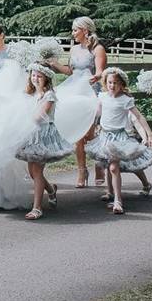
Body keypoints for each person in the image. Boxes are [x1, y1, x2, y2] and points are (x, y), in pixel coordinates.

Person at [84, 68, 152, 215]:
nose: (112, 85)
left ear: (122, 84)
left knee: (115, 167)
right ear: (105, 83)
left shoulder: (125, 100)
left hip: (119, 138)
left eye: (116, 83)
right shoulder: (102, 96)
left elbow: (140, 117)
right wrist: (88, 128)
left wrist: (149, 135)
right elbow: (96, 115)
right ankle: (111, 193)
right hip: (104, 136)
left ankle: (118, 201)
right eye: (110, 82)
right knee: (109, 165)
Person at [46, 16, 107, 188]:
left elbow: (101, 71)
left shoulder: (97, 49)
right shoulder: (73, 50)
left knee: (90, 134)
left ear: (85, 31)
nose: (73, 33)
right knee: (78, 133)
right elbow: (70, 72)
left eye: (75, 30)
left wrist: (95, 76)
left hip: (91, 91)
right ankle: (82, 170)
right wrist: (55, 64)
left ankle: (99, 163)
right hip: (74, 91)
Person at [15, 63, 72, 220]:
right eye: (33, 75)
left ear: (46, 78)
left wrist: (23, 121)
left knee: (37, 171)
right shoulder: (30, 95)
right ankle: (51, 190)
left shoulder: (49, 96)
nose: (36, 78)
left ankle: (37, 208)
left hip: (44, 135)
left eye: (39, 76)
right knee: (33, 173)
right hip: (31, 135)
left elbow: (39, 116)